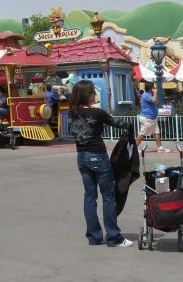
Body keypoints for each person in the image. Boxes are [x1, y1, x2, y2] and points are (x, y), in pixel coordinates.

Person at [66, 80, 134, 248]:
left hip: (81, 157)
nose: (95, 95)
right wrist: (130, 128)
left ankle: (94, 236)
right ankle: (113, 237)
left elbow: (79, 131)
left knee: (90, 197)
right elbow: (121, 124)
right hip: (98, 157)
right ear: (86, 95)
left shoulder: (73, 113)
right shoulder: (97, 113)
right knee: (108, 197)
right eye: (92, 92)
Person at [135, 82, 168, 153]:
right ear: (150, 89)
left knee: (156, 132)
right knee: (142, 133)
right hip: (147, 118)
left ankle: (160, 147)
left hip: (152, 118)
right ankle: (135, 147)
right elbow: (154, 100)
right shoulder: (146, 95)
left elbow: (154, 101)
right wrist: (155, 93)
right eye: (153, 88)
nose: (154, 89)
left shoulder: (149, 95)